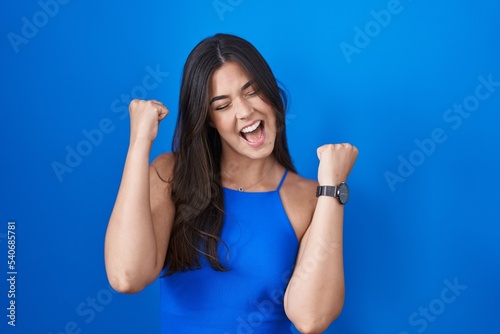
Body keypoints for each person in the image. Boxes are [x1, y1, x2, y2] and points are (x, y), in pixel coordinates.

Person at [104, 33, 358, 333]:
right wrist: (139, 143)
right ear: (209, 119)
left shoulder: (308, 198)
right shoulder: (171, 174)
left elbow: (311, 319)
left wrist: (332, 189)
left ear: (271, 93)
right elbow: (126, 276)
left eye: (251, 92)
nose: (245, 112)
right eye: (222, 106)